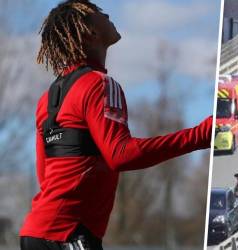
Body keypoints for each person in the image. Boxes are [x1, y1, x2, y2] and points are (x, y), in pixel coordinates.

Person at [19, 1, 212, 249]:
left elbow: (45, 176)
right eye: (98, 12)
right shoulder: (99, 84)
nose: (107, 13)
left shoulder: (46, 99)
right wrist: (201, 135)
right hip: (70, 234)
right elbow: (121, 155)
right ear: (92, 32)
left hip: (33, 233)